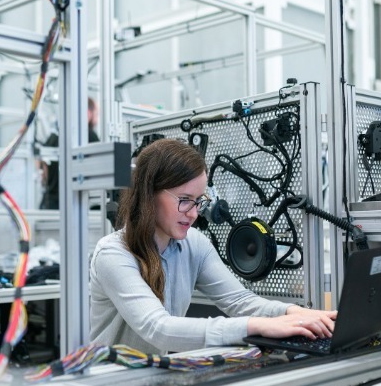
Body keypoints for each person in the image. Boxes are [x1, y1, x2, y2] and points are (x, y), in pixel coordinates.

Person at [90, 138, 336, 354]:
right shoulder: (113, 253)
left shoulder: (193, 244)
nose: (194, 213)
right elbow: (159, 328)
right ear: (149, 194)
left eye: (199, 201)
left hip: (155, 374)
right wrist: (257, 326)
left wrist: (297, 313)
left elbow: (240, 301)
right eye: (185, 200)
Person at [39, 98, 99, 209]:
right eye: (96, 114)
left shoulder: (54, 136)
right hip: (74, 203)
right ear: (88, 113)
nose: (97, 119)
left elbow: (42, 168)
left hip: (50, 204)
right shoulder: (89, 135)